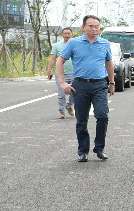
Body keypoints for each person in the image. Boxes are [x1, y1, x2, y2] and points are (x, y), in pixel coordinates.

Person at [57, 15, 114, 162]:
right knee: (81, 120)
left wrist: (112, 83)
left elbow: (109, 64)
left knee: (102, 116)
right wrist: (63, 82)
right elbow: (60, 61)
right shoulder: (73, 43)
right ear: (83, 28)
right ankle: (83, 150)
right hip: (80, 85)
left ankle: (99, 148)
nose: (94, 29)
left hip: (100, 85)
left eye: (96, 26)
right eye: (90, 26)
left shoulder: (105, 44)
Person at [47, 27, 75, 118]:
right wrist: (49, 70)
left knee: (75, 92)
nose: (67, 35)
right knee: (61, 93)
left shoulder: (76, 45)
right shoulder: (57, 46)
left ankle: (69, 105)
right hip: (61, 74)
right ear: (62, 35)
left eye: (69, 33)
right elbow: (52, 59)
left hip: (74, 73)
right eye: (65, 33)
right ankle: (62, 111)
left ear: (72, 35)